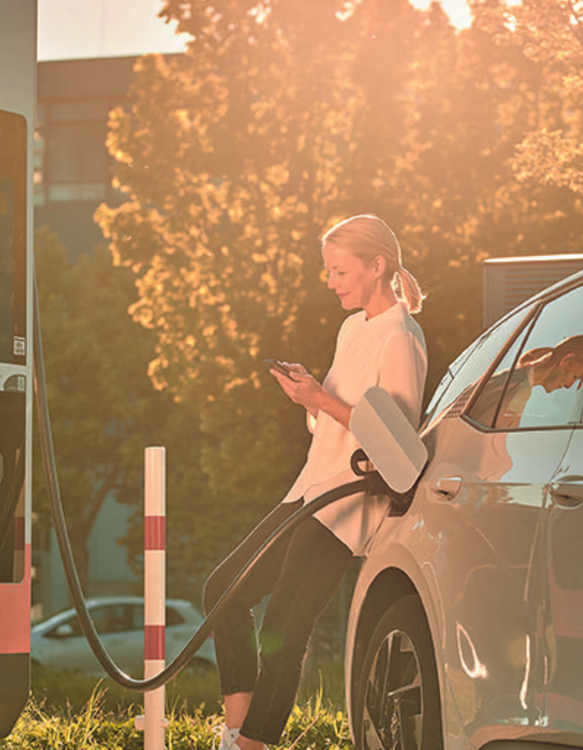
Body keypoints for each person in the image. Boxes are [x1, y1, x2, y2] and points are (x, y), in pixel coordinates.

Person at [203, 215, 428, 750]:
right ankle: (238, 732)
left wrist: (322, 400)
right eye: (328, 270)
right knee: (224, 593)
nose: (330, 282)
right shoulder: (352, 328)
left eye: (339, 270)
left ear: (377, 266)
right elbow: (336, 418)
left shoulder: (400, 336)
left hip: (349, 500)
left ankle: (254, 743)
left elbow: (396, 441)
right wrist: (310, 398)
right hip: (309, 487)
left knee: (285, 622)